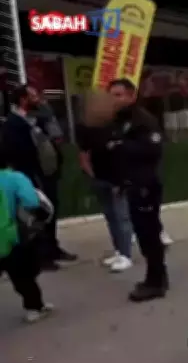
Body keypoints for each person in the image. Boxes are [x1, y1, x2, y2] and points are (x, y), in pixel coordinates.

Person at [100, 79, 169, 301]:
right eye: (111, 95)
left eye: (119, 95)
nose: (114, 99)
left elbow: (153, 149)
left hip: (145, 185)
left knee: (149, 233)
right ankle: (157, 277)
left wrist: (120, 146)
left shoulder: (143, 120)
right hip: (130, 184)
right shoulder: (119, 121)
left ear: (132, 96)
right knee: (142, 233)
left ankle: (155, 282)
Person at [1, 84, 77, 271]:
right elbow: (15, 152)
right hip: (32, 176)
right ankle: (42, 256)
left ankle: (53, 248)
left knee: (51, 212)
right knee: (38, 215)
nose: (38, 99)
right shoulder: (13, 124)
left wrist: (47, 114)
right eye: (33, 96)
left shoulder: (38, 118)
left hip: (48, 173)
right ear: (23, 100)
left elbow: (55, 136)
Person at [0, 142, 54, 323]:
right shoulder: (15, 178)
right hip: (11, 234)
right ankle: (34, 308)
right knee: (22, 274)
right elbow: (31, 201)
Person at [77, 122, 134, 272]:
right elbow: (83, 155)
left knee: (121, 217)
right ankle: (119, 251)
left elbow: (124, 157)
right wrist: (93, 176)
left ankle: (126, 254)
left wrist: (121, 181)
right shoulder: (90, 129)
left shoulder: (117, 128)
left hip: (117, 180)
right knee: (111, 217)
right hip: (101, 179)